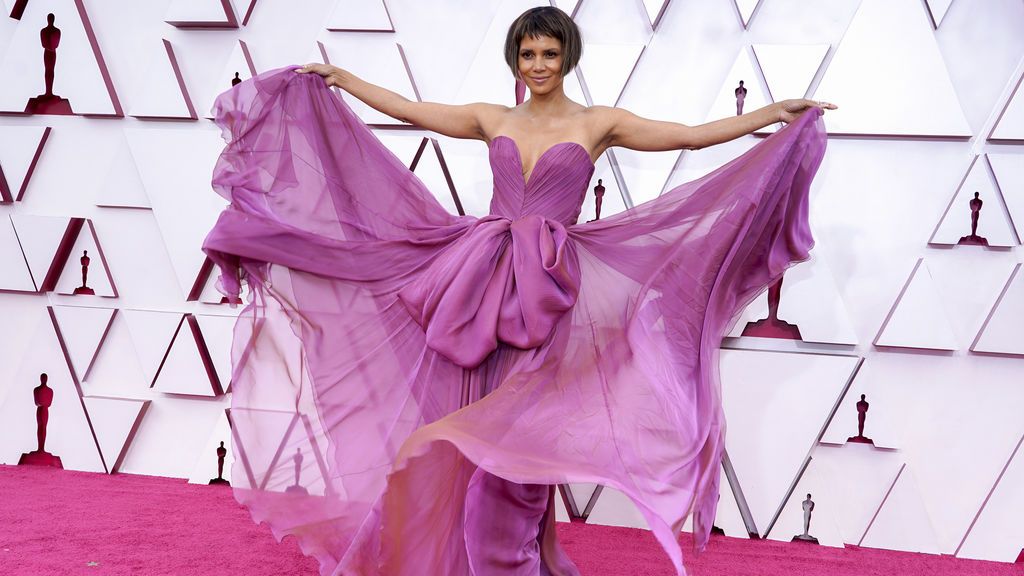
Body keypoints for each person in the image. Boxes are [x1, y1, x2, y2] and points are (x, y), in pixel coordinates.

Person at [202, 7, 834, 576]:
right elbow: (412, 111)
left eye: (550, 55)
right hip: (481, 280)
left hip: (551, 289)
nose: (538, 66)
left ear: (568, 59)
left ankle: (507, 556)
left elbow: (689, 136)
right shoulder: (493, 117)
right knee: (465, 412)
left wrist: (772, 116)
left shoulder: (599, 122)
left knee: (524, 423)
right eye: (528, 54)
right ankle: (465, 555)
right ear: (515, 59)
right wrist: (343, 80)